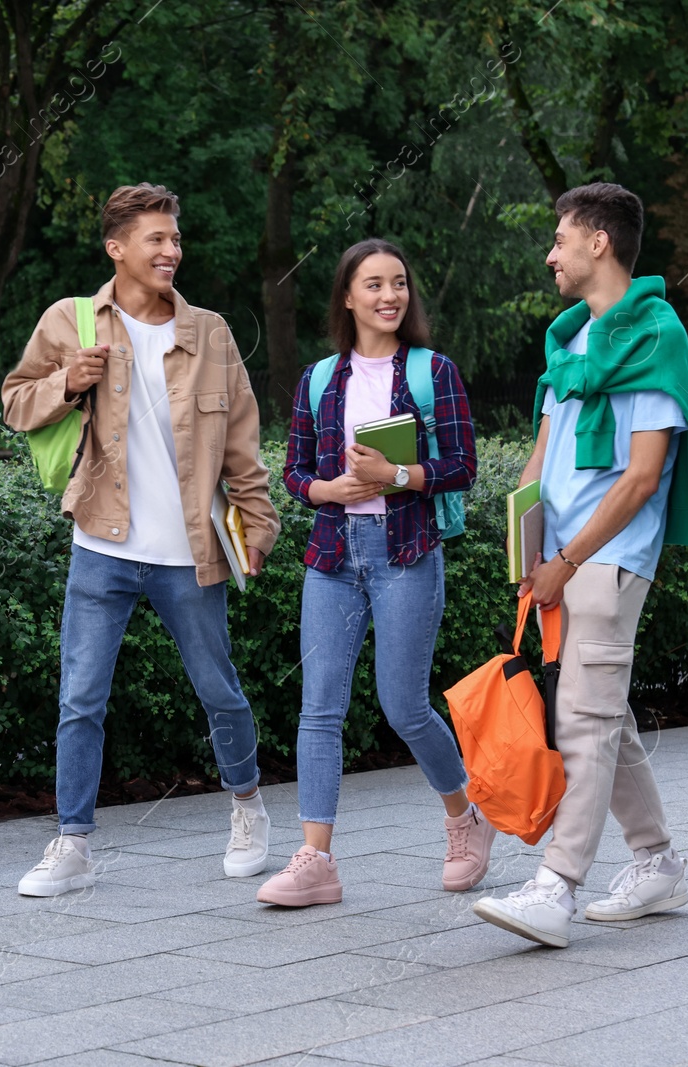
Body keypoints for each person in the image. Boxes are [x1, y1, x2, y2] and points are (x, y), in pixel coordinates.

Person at [1, 183, 281, 896]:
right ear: (116, 247)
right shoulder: (72, 322)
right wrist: (68, 380)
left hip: (191, 551)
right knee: (80, 698)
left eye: (175, 239)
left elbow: (243, 442)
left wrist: (260, 521)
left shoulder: (210, 332)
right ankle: (73, 843)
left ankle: (248, 806)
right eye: (156, 239)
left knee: (219, 691)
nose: (171, 251)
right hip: (102, 541)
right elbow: (14, 402)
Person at [474, 182, 688, 948]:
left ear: (599, 242)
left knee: (582, 715)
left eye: (560, 238)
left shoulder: (654, 333)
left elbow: (643, 474)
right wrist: (529, 553)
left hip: (609, 558)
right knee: (603, 713)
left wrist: (570, 558)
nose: (551, 253)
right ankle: (657, 861)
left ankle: (557, 884)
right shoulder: (568, 341)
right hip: (556, 560)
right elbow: (538, 465)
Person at [258, 238, 490, 908]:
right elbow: (296, 468)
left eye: (398, 284)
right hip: (334, 555)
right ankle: (316, 861)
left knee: (404, 705)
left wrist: (393, 475)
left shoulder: (432, 371)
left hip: (406, 552)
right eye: (373, 285)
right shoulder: (319, 379)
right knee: (319, 707)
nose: (389, 296)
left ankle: (465, 818)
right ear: (348, 297)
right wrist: (323, 491)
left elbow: (464, 467)